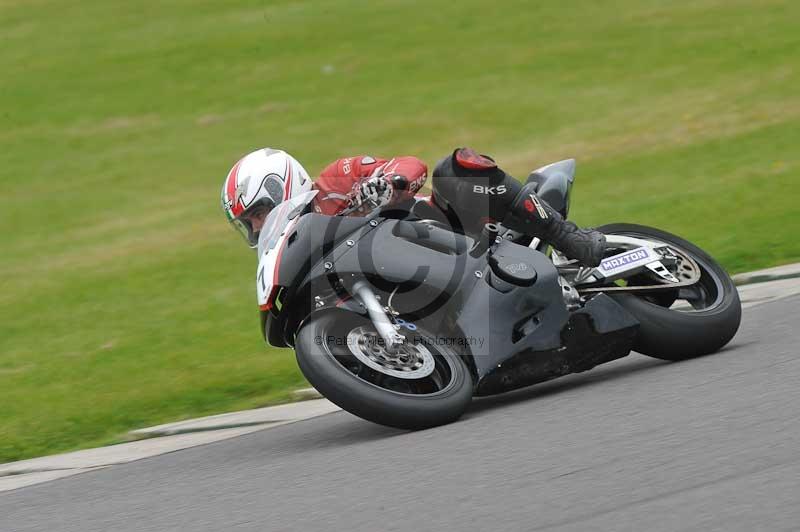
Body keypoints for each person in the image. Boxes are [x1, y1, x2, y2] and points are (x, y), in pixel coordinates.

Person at [221, 147, 605, 266]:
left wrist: (387, 184)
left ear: (279, 184)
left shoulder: (335, 180)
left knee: (453, 169)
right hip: (419, 276)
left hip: (451, 230)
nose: (256, 229)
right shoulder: (299, 252)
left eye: (256, 215)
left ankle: (567, 236)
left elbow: (410, 167)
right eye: (248, 225)